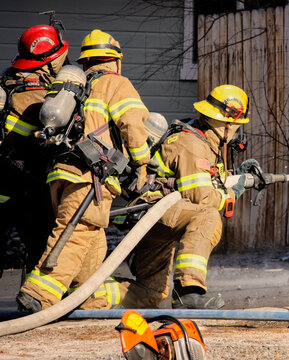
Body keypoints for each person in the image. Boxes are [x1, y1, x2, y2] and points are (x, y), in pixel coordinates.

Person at [16, 29, 150, 312]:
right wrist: (141, 163)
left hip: (60, 173)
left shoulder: (72, 84)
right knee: (75, 233)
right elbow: (133, 125)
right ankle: (38, 294)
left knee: (91, 239)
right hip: (89, 177)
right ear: (116, 60)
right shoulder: (116, 83)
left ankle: (87, 297)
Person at [115, 85, 255, 309]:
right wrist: (233, 191)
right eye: (237, 126)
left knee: (150, 293)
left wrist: (238, 177)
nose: (238, 132)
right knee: (207, 217)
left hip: (159, 217)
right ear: (226, 123)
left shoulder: (204, 141)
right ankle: (188, 291)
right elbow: (202, 197)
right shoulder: (191, 145)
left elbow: (206, 180)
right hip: (156, 212)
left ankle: (86, 296)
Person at [0, 24, 69, 278]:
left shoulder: (6, 80)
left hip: (4, 184)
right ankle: (35, 309)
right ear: (50, 60)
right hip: (30, 187)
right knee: (40, 250)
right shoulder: (45, 99)